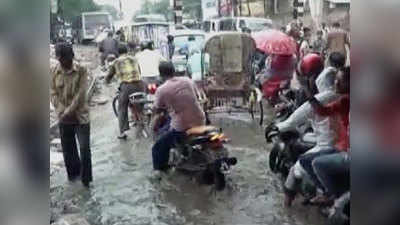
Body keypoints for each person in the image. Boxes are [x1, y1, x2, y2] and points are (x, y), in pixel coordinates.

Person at [276, 53, 346, 207]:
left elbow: (295, 119)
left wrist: (275, 128)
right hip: (336, 141)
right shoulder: (342, 96)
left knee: (298, 168)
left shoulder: (324, 98)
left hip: (332, 146)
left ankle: (287, 207)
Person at [50, 43, 93, 188]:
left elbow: (81, 95)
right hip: (63, 117)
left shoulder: (81, 70)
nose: (64, 63)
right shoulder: (53, 71)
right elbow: (53, 93)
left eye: (66, 59)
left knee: (84, 149)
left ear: (72, 57)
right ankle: (73, 179)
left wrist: (68, 111)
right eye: (61, 60)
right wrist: (62, 110)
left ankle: (86, 181)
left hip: (81, 116)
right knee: (68, 151)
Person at [306, 66, 350, 204]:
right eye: (336, 80)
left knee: (316, 163)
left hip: (348, 150)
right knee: (305, 160)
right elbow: (323, 111)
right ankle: (328, 192)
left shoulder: (345, 100)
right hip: (342, 146)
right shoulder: (343, 100)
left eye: (340, 80)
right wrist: (310, 93)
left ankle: (333, 195)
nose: (335, 83)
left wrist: (309, 92)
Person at [151, 61, 206, 171]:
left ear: (161, 74)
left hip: (182, 127)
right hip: (201, 119)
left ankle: (161, 171)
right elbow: (195, 96)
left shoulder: (161, 90)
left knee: (157, 146)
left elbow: (157, 110)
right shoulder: (188, 81)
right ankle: (184, 151)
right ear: (174, 70)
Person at [105, 44, 143, 139]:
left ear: (118, 52)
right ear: (127, 50)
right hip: (140, 84)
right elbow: (139, 71)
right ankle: (141, 117)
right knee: (141, 102)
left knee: (122, 108)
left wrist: (106, 81)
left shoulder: (116, 62)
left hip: (126, 86)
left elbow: (109, 75)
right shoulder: (134, 59)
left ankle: (122, 133)